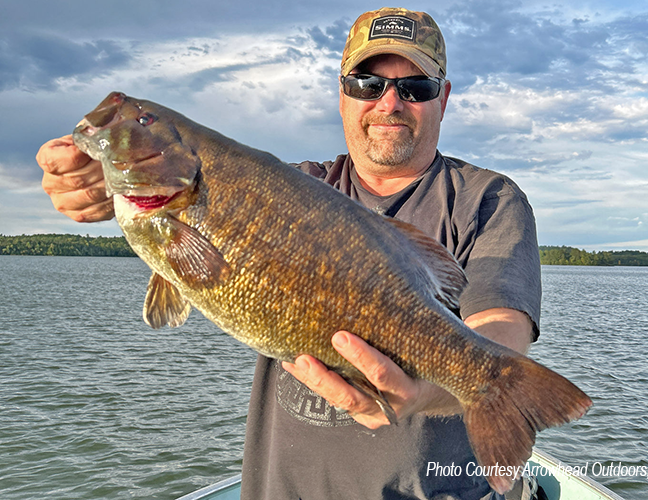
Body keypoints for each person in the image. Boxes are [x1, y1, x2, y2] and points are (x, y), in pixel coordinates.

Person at [37, 8, 541, 500]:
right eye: (368, 84)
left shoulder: (488, 199)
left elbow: (503, 327)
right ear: (341, 94)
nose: (390, 103)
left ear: (443, 98)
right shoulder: (298, 186)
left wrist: (439, 387)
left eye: (416, 87)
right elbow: (183, 212)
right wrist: (93, 181)